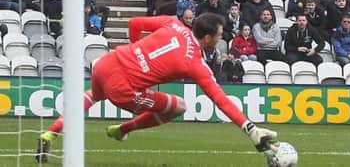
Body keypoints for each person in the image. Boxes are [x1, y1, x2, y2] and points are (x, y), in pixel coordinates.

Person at [36, 14, 277, 163]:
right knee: (177, 107)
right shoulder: (195, 63)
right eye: (220, 35)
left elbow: (135, 23)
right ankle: (123, 129)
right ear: (207, 38)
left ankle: (51, 132)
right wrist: (250, 129)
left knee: (91, 96)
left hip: (108, 63)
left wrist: (135, 52)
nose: (221, 38)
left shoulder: (173, 23)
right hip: (124, 88)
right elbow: (219, 98)